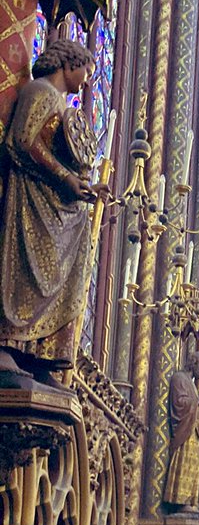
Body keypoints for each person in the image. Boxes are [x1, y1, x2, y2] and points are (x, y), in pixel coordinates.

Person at [0, 38, 96, 378]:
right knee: (25, 271)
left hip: (55, 205)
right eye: (86, 70)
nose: (87, 80)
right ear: (68, 64)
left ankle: (39, 354)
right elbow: (22, 141)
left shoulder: (58, 101)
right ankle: (8, 343)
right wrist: (64, 178)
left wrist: (81, 184)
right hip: (32, 201)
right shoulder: (40, 92)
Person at [162, 351, 199, 510]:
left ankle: (190, 500)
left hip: (195, 431)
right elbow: (179, 402)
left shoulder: (190, 383)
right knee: (184, 463)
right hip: (186, 432)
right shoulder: (179, 378)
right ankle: (180, 500)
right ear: (194, 363)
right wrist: (197, 401)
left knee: (194, 468)